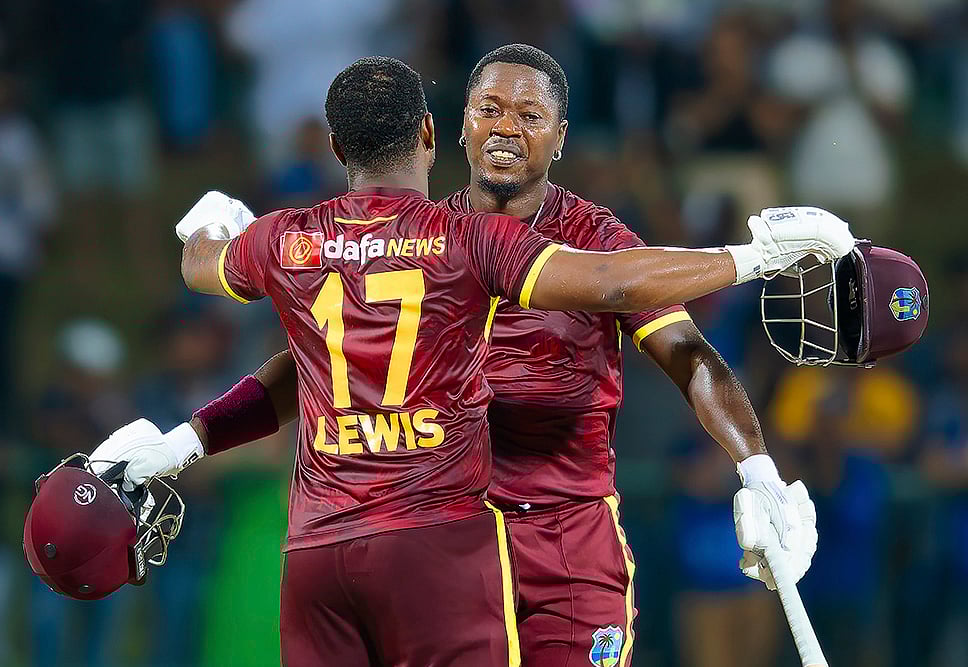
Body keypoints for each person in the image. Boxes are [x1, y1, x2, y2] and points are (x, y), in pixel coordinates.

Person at [90, 56, 846, 666]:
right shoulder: (433, 235)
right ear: (454, 127)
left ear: (560, 136)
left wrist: (757, 468)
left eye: (530, 115)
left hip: (563, 541)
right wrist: (191, 440)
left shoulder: (599, 239)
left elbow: (689, 355)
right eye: (489, 108)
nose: (506, 127)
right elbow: (314, 364)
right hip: (448, 544)